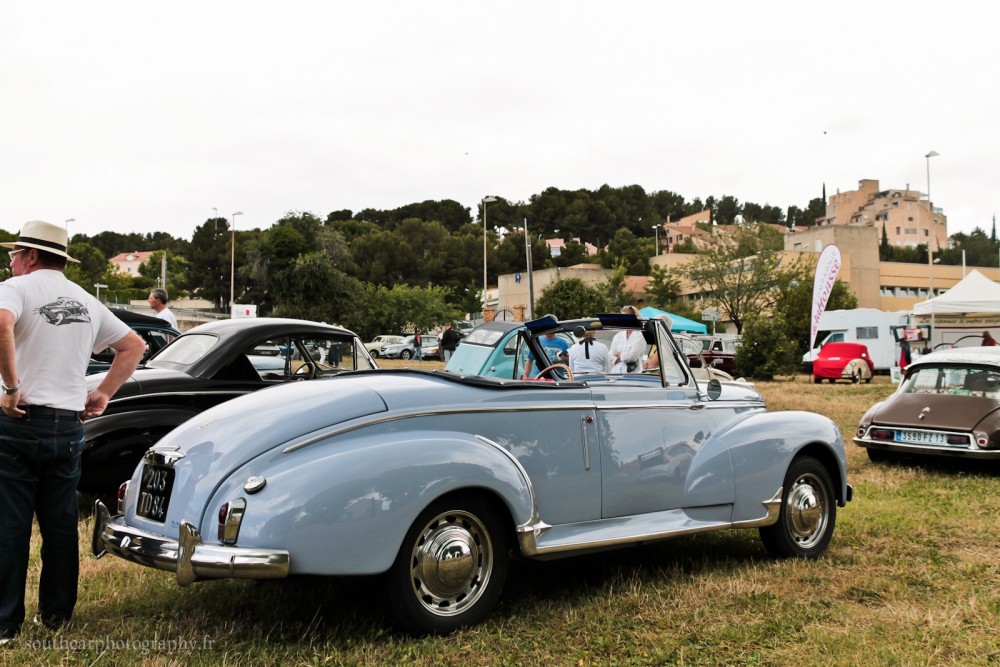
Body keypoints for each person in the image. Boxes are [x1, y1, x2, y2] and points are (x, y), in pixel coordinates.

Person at [0, 221, 146, 645]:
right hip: (68, 426)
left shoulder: (15, 288)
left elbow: (2, 324)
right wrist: (101, 393)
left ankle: (6, 623)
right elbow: (134, 346)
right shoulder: (85, 300)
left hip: (19, 421)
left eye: (13, 254)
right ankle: (56, 615)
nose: (9, 261)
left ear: (29, 256)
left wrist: (10, 388)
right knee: (61, 524)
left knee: (10, 524)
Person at [609, 305, 646, 373]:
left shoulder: (641, 335)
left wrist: (619, 355)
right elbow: (609, 357)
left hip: (632, 375)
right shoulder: (618, 336)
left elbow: (632, 357)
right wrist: (623, 356)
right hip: (615, 373)